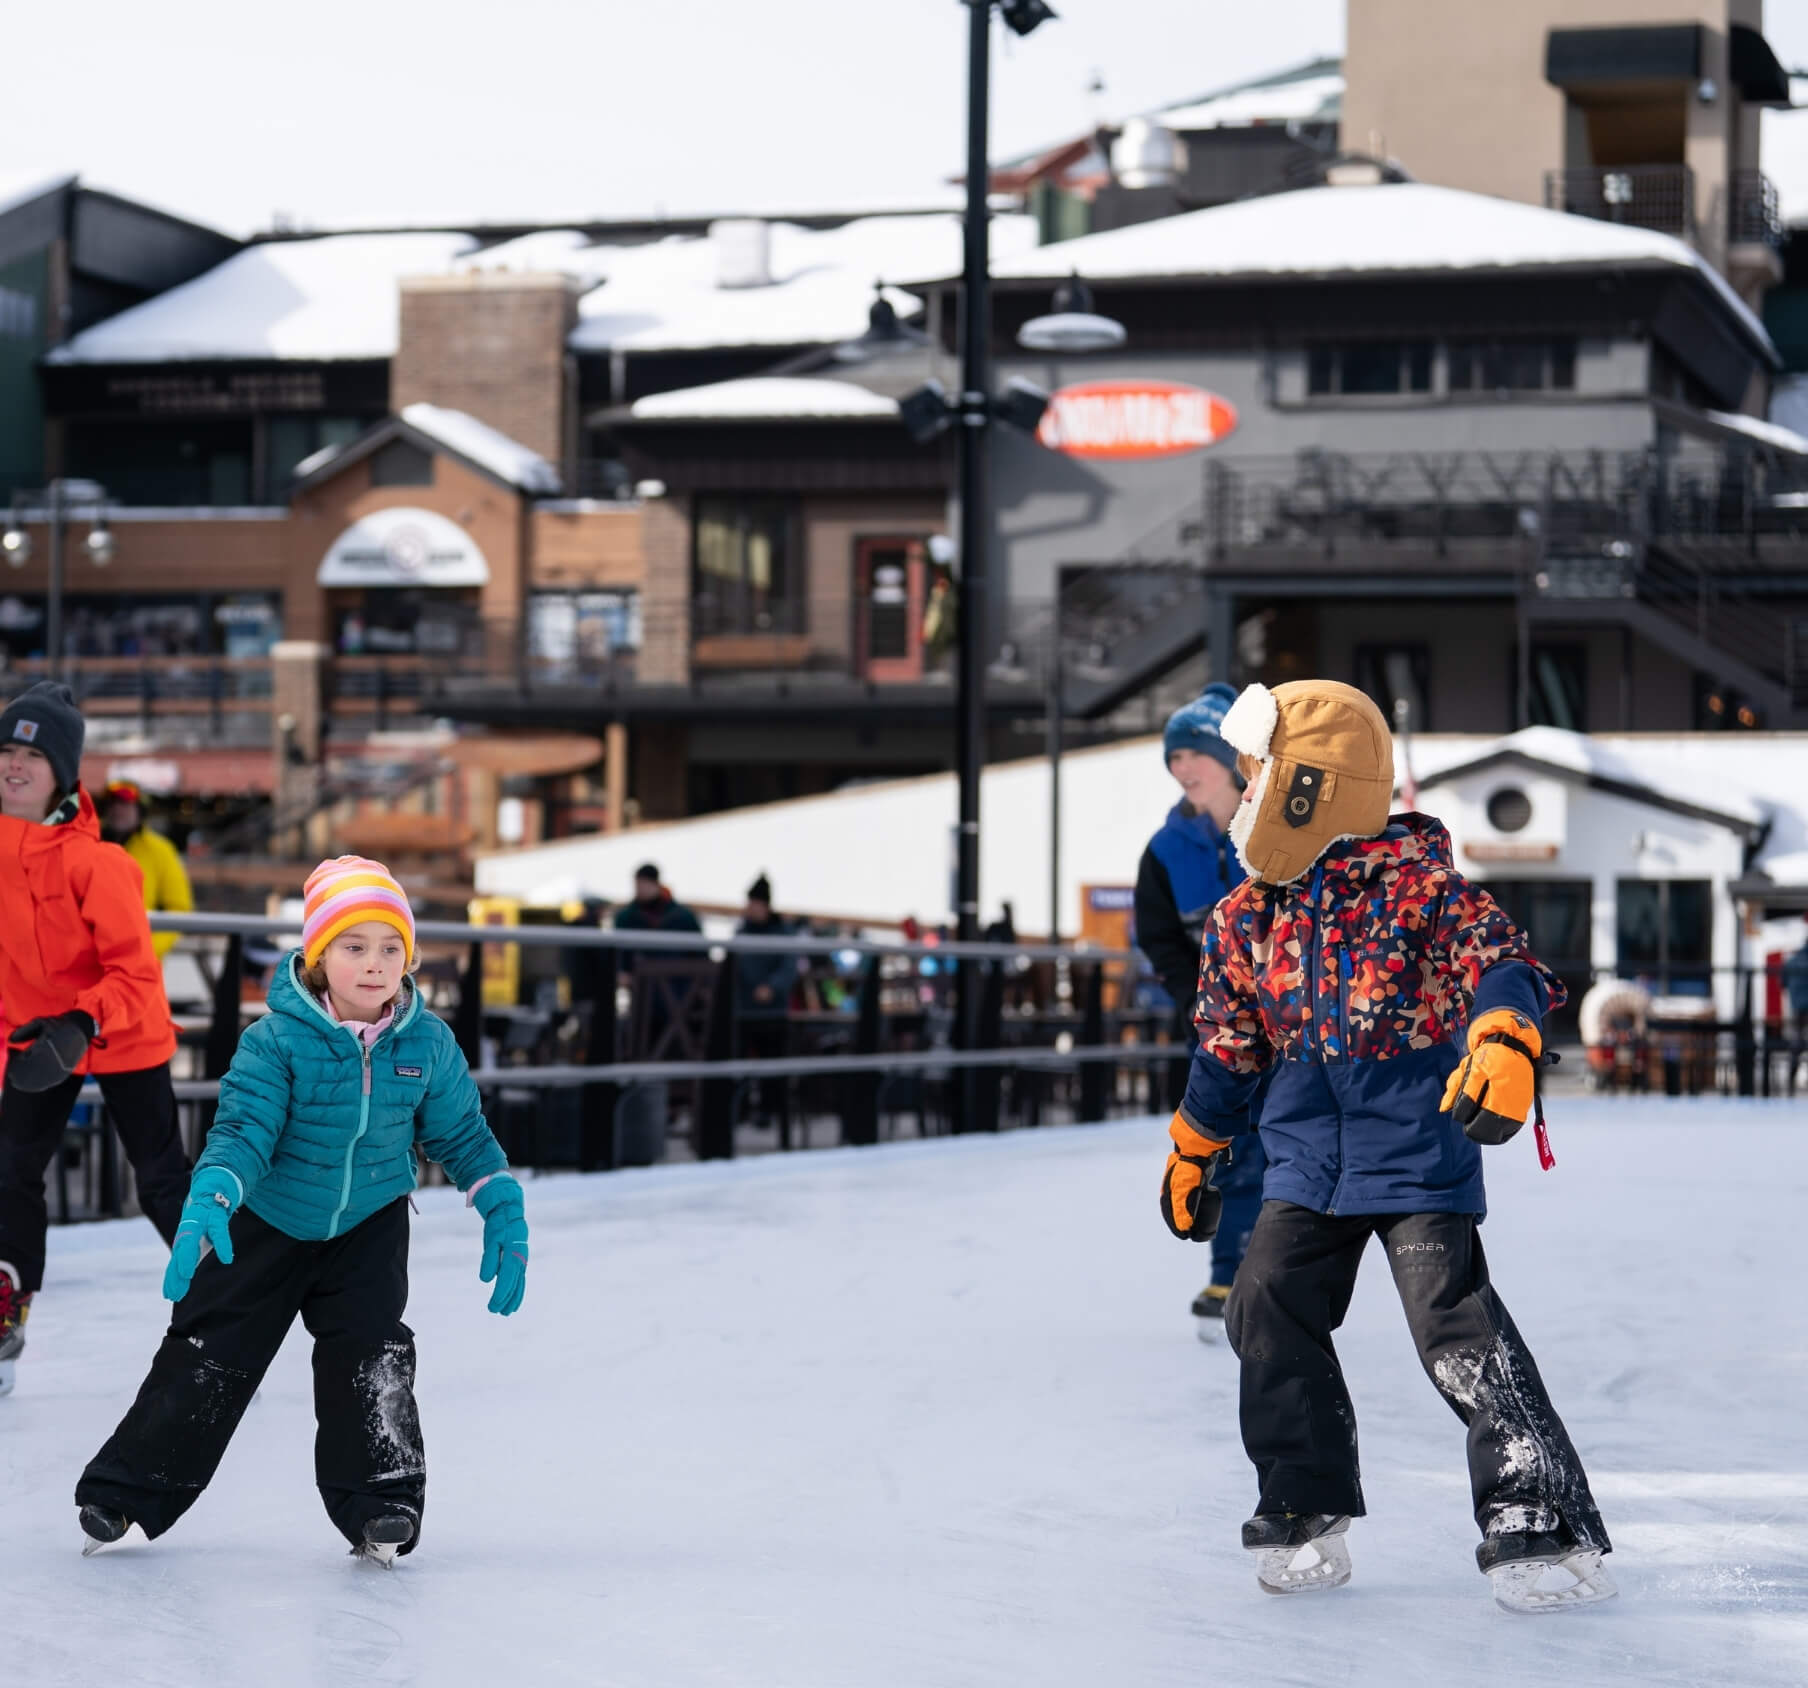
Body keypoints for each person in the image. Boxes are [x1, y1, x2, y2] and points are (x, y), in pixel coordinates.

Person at [1158, 679, 1613, 1613]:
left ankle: (1540, 1517)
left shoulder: (1424, 897)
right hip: (1303, 1167)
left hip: (1413, 1154)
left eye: (1256, 777)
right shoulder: (1248, 917)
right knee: (1266, 1308)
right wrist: (1197, 1146)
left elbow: (1505, 966)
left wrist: (1504, 1038)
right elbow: (1227, 1044)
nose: (1243, 800)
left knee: (1455, 1328)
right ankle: (1303, 1502)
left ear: (1303, 788)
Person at [75, 855, 528, 1565]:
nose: (375, 965)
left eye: (390, 949)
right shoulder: (275, 1040)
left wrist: (498, 1197)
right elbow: (244, 1131)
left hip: (369, 1221)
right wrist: (214, 1194)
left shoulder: (426, 1042)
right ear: (319, 957)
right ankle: (126, 1493)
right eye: (354, 947)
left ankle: (381, 1503)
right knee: (210, 1352)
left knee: (372, 1354)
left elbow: (460, 1133)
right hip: (269, 1219)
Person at [0, 683, 191, 1397]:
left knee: (160, 1178)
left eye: (31, 756)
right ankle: (5, 1309)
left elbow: (135, 973)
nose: (13, 767)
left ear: (63, 773)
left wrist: (83, 1020)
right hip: (35, 1038)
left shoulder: (99, 864)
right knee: (10, 1172)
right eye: (5, 752)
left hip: (119, 1032)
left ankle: (218, 1308)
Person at [1134, 682, 1266, 1341]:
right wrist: (1194, 998)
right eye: (1173, 757)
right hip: (1216, 1028)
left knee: (1289, 1144)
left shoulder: (1271, 833)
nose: (1183, 767)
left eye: (1196, 754)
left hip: (1287, 1027)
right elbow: (1157, 935)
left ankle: (1278, 1273)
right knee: (1224, 1141)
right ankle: (1227, 1271)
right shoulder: (1164, 850)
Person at [100, 780, 195, 959]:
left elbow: (179, 909)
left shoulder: (161, 851)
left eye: (125, 804)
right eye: (112, 803)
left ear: (140, 810)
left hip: (140, 964)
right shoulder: (87, 842)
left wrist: (147, 950)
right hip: (90, 959)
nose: (117, 809)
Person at [736, 875, 797, 1139]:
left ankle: (769, 1110)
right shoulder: (741, 932)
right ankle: (740, 1108)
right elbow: (735, 966)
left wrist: (771, 987)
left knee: (773, 1062)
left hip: (772, 1010)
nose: (752, 908)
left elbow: (788, 967)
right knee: (737, 1061)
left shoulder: (783, 933)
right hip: (744, 1009)